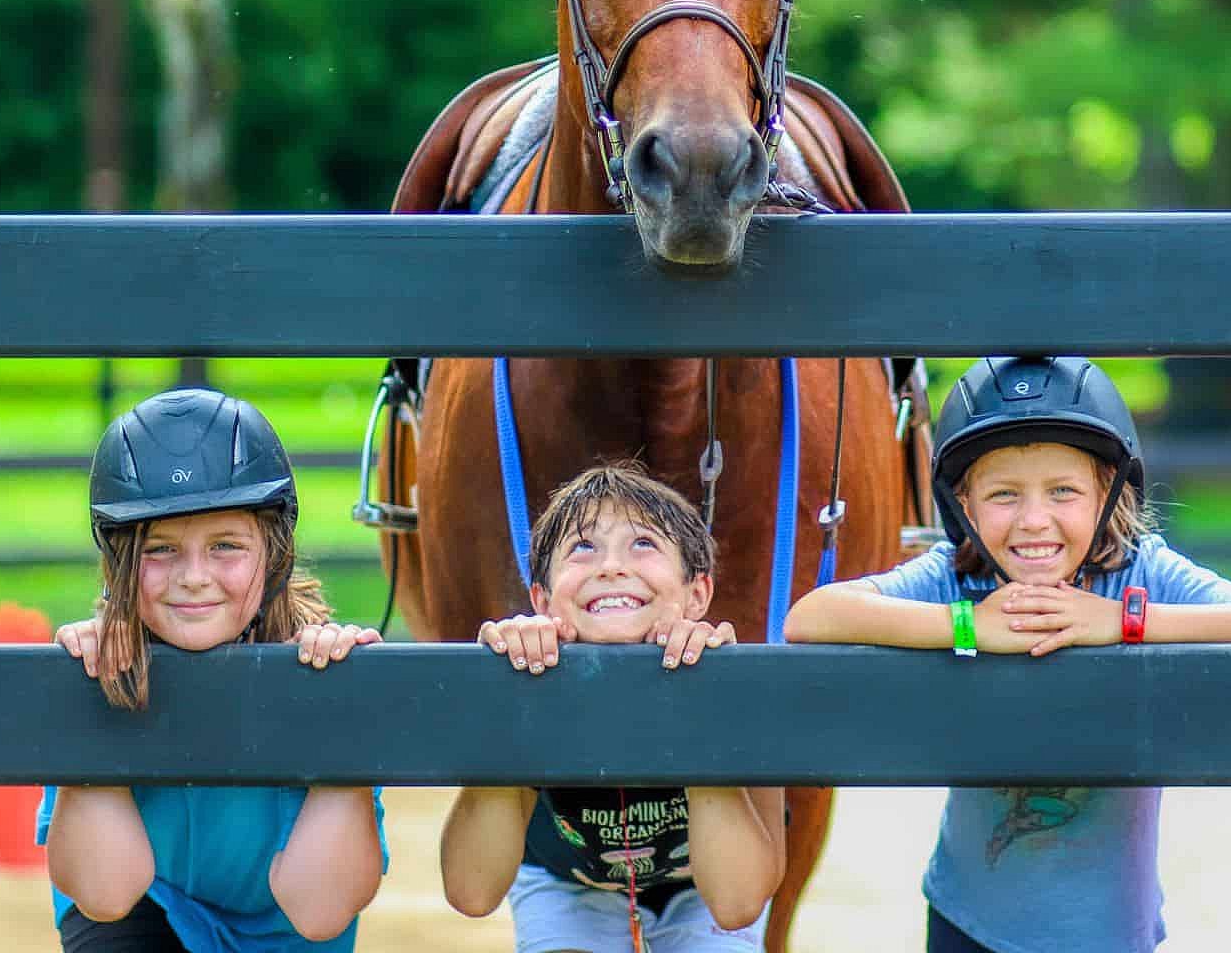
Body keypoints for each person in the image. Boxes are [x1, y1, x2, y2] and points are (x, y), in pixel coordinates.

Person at [783, 355, 1231, 953]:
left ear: (1107, 495)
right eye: (1005, 494)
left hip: (1114, 933)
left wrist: (1121, 622)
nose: (1035, 521)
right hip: (968, 924)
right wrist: (969, 627)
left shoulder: (1140, 572)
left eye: (1063, 491)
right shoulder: (959, 578)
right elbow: (811, 618)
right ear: (965, 503)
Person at [38, 387, 387, 951]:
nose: (194, 577)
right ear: (118, 563)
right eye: (161, 550)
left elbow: (319, 911)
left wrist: (340, 714)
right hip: (151, 902)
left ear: (274, 553)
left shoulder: (319, 671)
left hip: (283, 925)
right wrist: (98, 694)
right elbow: (105, 895)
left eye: (225, 545)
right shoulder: (94, 665)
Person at [440, 461, 784, 952]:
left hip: (704, 884)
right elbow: (472, 893)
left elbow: (736, 905)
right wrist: (507, 698)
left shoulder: (737, 686)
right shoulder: (522, 683)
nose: (610, 567)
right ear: (542, 600)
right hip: (565, 878)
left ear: (697, 594)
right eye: (582, 548)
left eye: (643, 544)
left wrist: (705, 701)